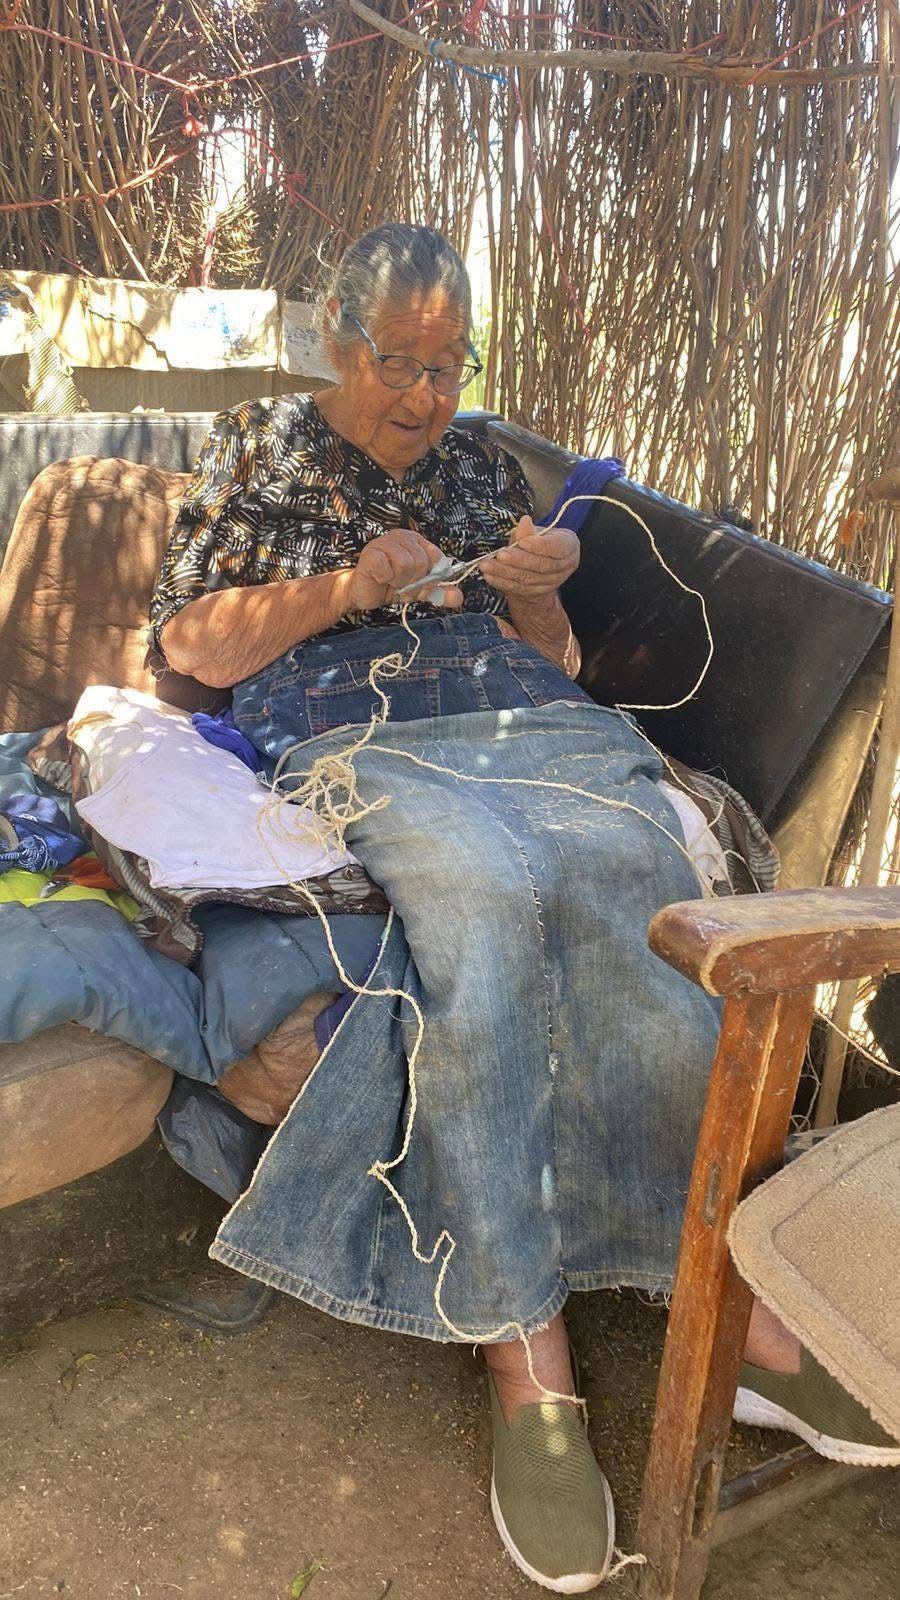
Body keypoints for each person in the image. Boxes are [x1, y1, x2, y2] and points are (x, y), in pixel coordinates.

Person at [149, 224, 896, 1593]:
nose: (425, 395)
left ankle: (726, 1316)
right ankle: (523, 1351)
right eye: (399, 361)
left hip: (522, 718)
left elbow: (549, 657)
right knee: (485, 901)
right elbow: (191, 648)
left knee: (649, 879)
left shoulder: (480, 463)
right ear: (336, 338)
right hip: (362, 725)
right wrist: (347, 587)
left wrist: (544, 607)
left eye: (448, 365)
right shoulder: (259, 446)